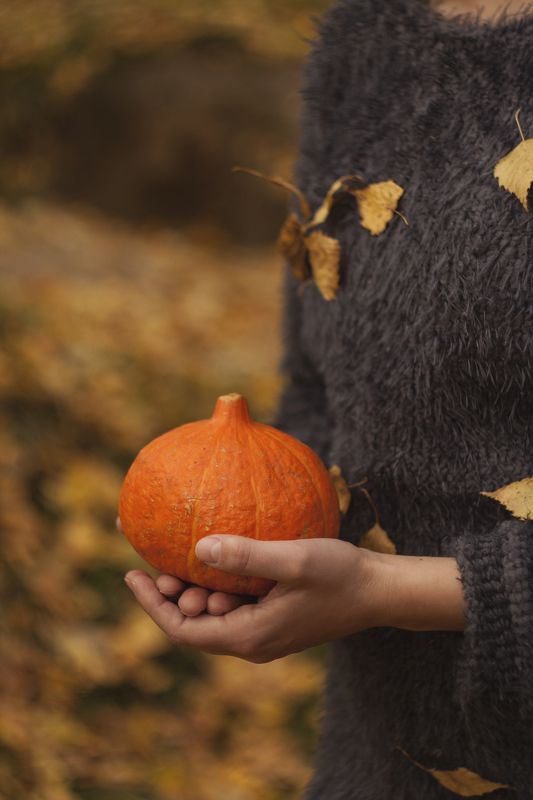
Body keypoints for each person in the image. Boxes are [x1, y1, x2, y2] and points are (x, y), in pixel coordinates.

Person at [122, 0, 533, 796]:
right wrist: (236, 545)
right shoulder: (363, 37)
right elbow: (321, 370)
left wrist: (389, 591)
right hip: (385, 739)